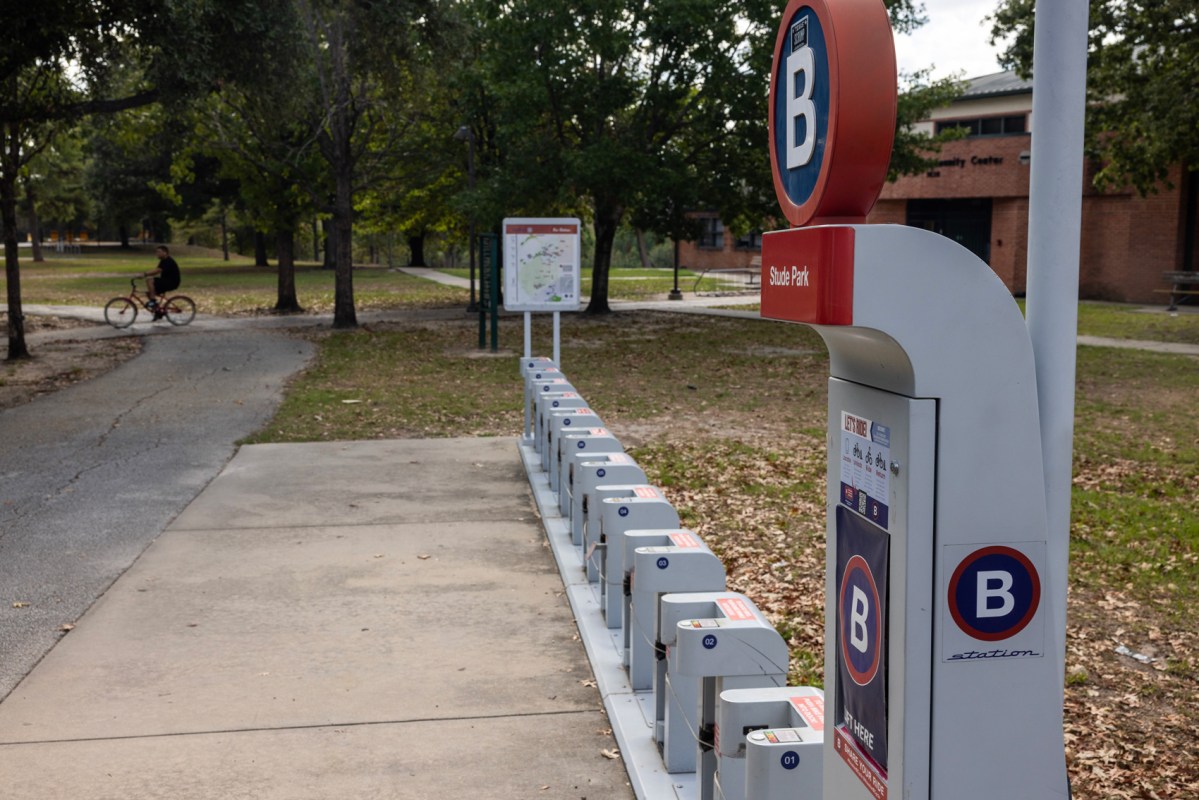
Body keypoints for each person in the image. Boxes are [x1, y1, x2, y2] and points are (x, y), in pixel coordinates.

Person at [142, 246, 181, 316]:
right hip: (166, 281)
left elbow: (157, 271)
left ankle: (153, 302)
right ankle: (157, 311)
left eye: (159, 252)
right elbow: (157, 269)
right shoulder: (163, 261)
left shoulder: (168, 261)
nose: (157, 254)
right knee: (150, 293)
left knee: (149, 280)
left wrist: (145, 274)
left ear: (165, 253)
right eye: (156, 252)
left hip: (171, 282)